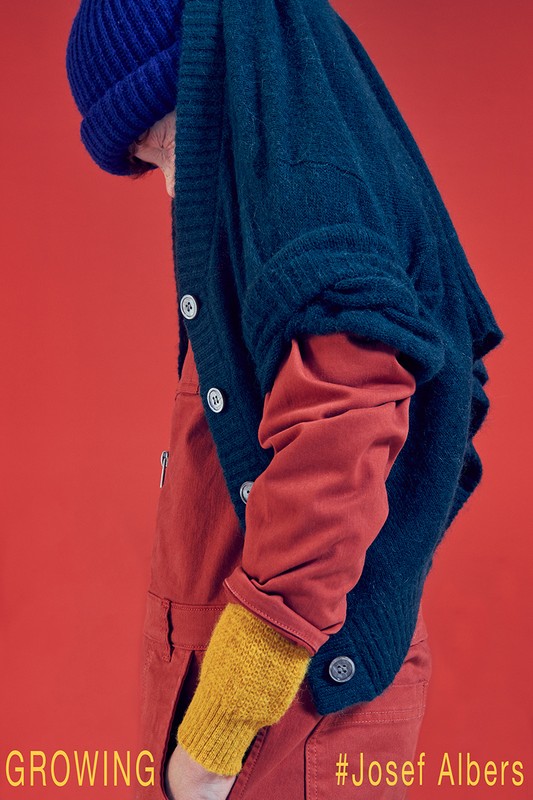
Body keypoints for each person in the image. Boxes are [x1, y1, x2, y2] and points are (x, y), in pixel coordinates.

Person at [65, 1, 504, 799]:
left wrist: (218, 734)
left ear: (218, 83)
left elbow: (344, 427)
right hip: (266, 723)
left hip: (277, 732)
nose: (171, 191)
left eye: (167, 147)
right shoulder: (288, 193)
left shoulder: (306, 196)